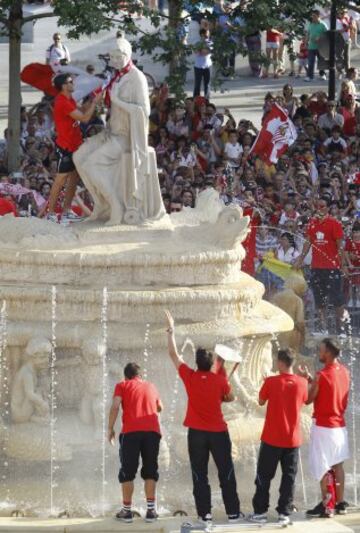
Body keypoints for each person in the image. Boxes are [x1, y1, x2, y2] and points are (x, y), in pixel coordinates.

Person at [74, 36, 165, 225]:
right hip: (111, 131)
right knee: (78, 157)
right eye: (112, 57)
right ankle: (101, 204)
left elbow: (144, 111)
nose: (115, 61)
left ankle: (116, 206)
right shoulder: (116, 76)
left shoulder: (136, 78)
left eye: (118, 57)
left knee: (91, 165)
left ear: (128, 55)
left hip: (126, 136)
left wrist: (118, 101)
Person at [164, 310, 243, 528]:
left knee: (199, 474)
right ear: (211, 364)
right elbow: (229, 397)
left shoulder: (190, 376)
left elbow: (173, 355)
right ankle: (234, 513)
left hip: (197, 433)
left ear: (197, 363)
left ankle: (204, 515)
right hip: (218, 432)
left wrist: (171, 330)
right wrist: (227, 379)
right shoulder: (219, 380)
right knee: (225, 471)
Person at [249, 349, 308, 526]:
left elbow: (260, 401)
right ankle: (284, 512)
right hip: (292, 440)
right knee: (289, 477)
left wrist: (265, 381)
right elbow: (305, 401)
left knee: (263, 476)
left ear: (280, 362)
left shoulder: (271, 381)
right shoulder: (302, 382)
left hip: (271, 439)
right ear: (292, 362)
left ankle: (260, 512)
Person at [299, 338, 350, 518]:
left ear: (328, 353)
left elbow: (308, 399)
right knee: (338, 466)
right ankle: (340, 503)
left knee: (323, 467)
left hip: (323, 426)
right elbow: (331, 389)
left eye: (320, 350)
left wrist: (308, 383)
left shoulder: (322, 375)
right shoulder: (345, 371)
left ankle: (326, 503)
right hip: (340, 427)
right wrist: (313, 379)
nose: (318, 353)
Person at [107, 362, 163, 524]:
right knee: (151, 471)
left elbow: (115, 406)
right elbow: (160, 407)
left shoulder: (122, 385)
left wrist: (110, 429)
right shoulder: (151, 386)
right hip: (152, 433)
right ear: (140, 375)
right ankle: (151, 511)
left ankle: (126, 512)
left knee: (127, 472)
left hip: (131, 433)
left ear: (126, 376)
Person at [45, 73, 101, 223]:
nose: (73, 83)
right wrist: (94, 103)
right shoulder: (62, 101)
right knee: (60, 180)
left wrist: (90, 101)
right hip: (66, 146)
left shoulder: (69, 99)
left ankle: (66, 211)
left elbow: (80, 111)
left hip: (75, 145)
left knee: (74, 178)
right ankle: (50, 214)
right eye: (70, 81)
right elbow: (84, 118)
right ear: (64, 86)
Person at [294, 196, 346, 334]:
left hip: (332, 266)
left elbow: (340, 246)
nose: (320, 208)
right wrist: (300, 258)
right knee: (319, 298)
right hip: (316, 267)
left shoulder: (334, 223)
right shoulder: (312, 223)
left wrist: (343, 264)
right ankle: (323, 328)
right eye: (318, 206)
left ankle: (340, 328)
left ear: (328, 208)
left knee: (337, 298)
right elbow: (308, 241)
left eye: (323, 206)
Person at [305, 10, 328, 82]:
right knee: (310, 62)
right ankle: (310, 76)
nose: (313, 17)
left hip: (320, 46)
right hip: (311, 46)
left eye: (314, 16)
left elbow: (327, 35)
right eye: (312, 16)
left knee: (321, 61)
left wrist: (320, 38)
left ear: (318, 16)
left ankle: (322, 74)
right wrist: (306, 42)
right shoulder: (311, 24)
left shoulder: (323, 25)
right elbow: (308, 34)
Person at [193, 28, 213, 99]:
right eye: (207, 33)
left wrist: (201, 50)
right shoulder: (197, 42)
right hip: (198, 66)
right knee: (197, 85)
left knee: (207, 84)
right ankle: (195, 99)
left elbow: (205, 52)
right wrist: (202, 50)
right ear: (202, 34)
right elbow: (197, 52)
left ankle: (206, 100)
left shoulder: (210, 43)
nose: (208, 34)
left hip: (208, 66)